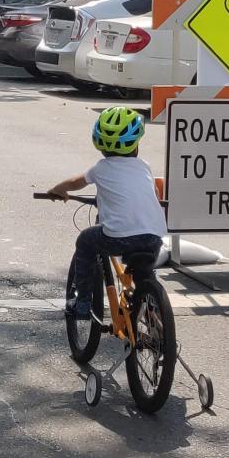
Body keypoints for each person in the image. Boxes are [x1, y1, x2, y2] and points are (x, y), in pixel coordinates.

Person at [46, 106, 167, 320]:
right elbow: (154, 194)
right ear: (136, 144)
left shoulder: (101, 168)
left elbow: (75, 182)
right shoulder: (144, 166)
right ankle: (153, 312)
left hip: (119, 237)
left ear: (100, 145)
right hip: (154, 235)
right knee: (144, 270)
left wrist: (58, 190)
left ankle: (82, 302)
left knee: (85, 241)